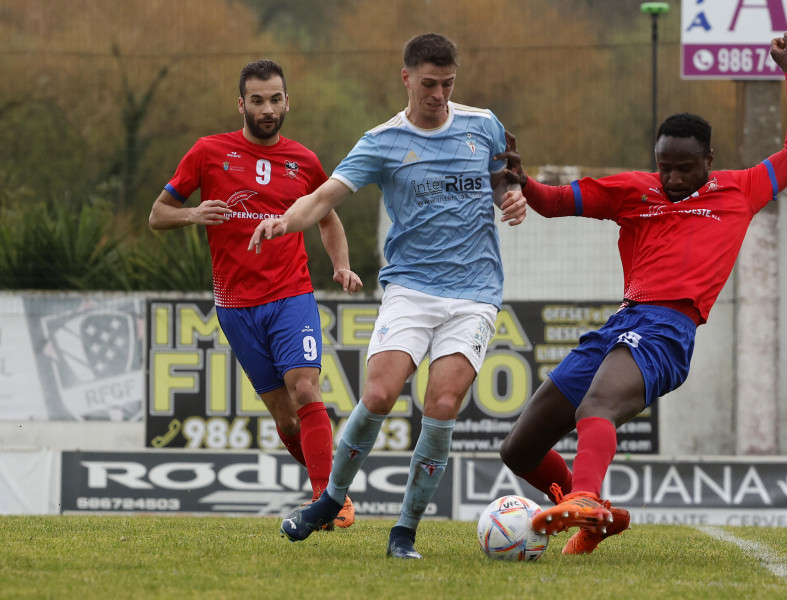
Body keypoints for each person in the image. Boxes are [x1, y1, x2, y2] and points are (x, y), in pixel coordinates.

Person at [499, 33, 787, 555]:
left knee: (597, 404)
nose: (671, 177)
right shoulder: (634, 189)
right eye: (664, 165)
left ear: (708, 160)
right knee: (520, 448)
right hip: (620, 323)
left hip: (670, 326)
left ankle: (584, 498)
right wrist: (523, 180)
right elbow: (554, 202)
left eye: (684, 167)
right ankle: (593, 514)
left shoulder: (741, 189)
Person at [248, 33, 527, 558]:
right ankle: (330, 499)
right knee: (378, 394)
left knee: (441, 403)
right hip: (411, 287)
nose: (439, 95)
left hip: (475, 291)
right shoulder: (381, 141)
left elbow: (505, 179)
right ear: (406, 78)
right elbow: (324, 196)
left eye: (447, 84)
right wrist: (284, 222)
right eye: (428, 84)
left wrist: (511, 198)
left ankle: (405, 530)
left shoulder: (483, 125)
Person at [149, 59, 362, 529]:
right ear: (241, 103)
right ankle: (328, 489)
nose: (268, 109)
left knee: (306, 388)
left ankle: (330, 504)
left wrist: (341, 265)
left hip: (292, 294)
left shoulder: (304, 160)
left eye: (276, 99)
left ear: (288, 101)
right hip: (236, 307)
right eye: (258, 100)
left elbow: (326, 215)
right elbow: (157, 214)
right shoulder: (207, 152)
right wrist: (193, 215)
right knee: (287, 422)